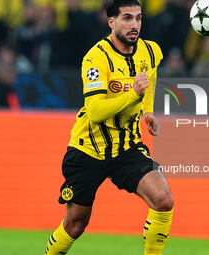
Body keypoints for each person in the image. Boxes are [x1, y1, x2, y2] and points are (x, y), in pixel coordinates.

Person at [44, 1, 173, 255]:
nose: (134, 25)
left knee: (163, 200)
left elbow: (151, 74)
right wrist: (133, 94)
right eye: (127, 18)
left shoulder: (150, 50)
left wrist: (147, 110)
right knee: (76, 224)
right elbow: (94, 112)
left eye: (138, 18)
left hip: (126, 147)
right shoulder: (96, 58)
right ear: (111, 22)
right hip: (88, 149)